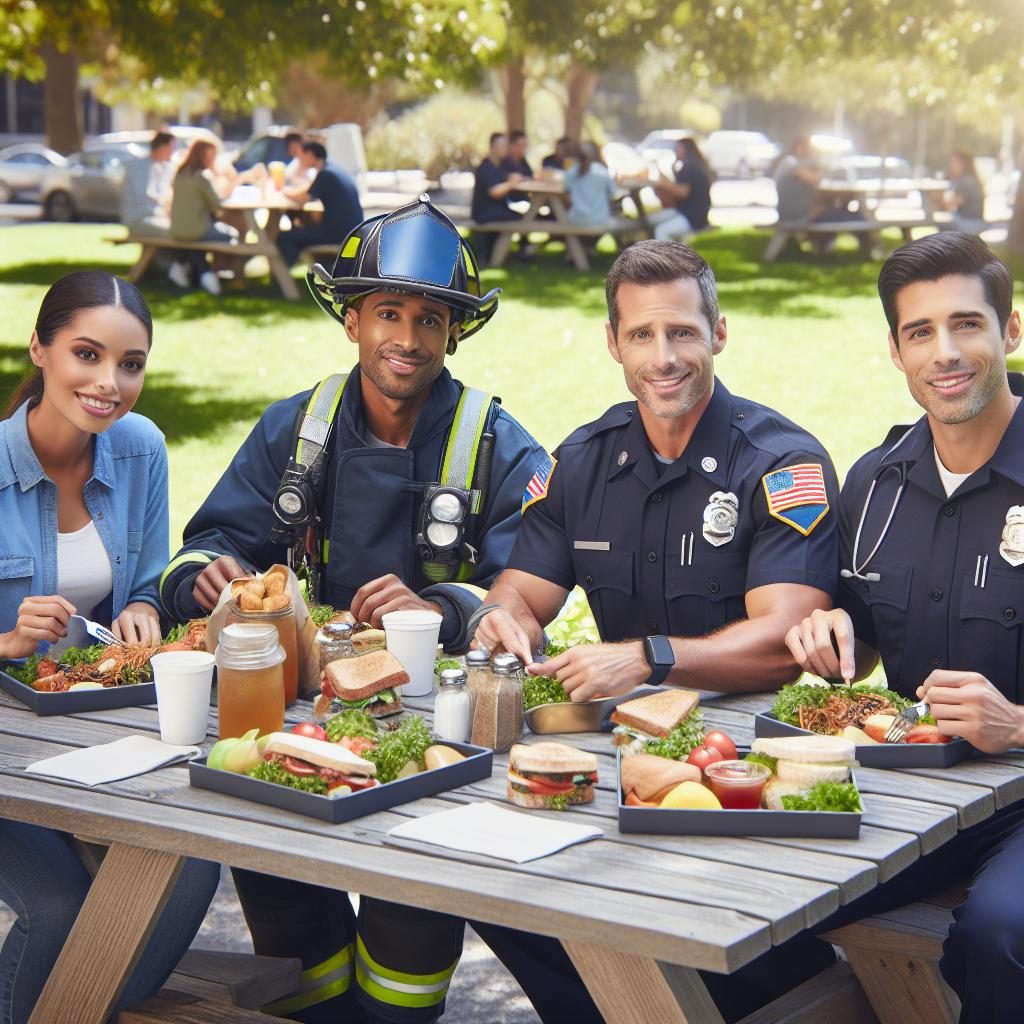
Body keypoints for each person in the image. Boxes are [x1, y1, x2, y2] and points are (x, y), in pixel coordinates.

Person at [159, 197, 563, 1023]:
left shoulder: (496, 440)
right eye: (387, 312)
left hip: (433, 741)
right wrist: (206, 579)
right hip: (286, 722)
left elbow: (533, 585)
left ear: (455, 332)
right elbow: (203, 544)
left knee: (405, 957)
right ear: (350, 319)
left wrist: (442, 608)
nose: (407, 339)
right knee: (294, 950)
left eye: (429, 319)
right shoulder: (294, 429)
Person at [471, 239, 842, 1022]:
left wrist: (648, 658)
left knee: (696, 946)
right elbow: (521, 593)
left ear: (719, 333)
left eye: (682, 333)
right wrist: (503, 616)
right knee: (490, 883)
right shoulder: (583, 459)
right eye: (641, 335)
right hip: (616, 757)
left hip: (739, 770)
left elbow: (785, 638)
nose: (663, 356)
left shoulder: (779, 462)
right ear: (613, 343)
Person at [785, 232, 1024, 1024]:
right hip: (911, 787)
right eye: (920, 332)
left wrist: (1017, 725)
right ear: (896, 351)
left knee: (1000, 934)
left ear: (1010, 330)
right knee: (749, 898)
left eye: (967, 324)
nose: (945, 352)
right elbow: (865, 621)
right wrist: (834, 632)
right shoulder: (874, 483)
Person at [0, 270, 220, 1024]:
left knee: (190, 859)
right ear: (40, 348)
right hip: (6, 750)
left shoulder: (139, 450)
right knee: (59, 904)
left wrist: (137, 609)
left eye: (130, 364)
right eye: (86, 355)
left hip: (98, 725)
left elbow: (149, 577)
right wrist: (8, 639)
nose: (108, 383)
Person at [276, 140, 363, 268]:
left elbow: (304, 199)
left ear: (310, 155)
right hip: (354, 231)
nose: (299, 161)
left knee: (284, 238)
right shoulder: (334, 169)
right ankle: (324, 272)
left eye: (301, 157)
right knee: (303, 230)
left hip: (338, 234)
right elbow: (309, 191)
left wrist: (284, 192)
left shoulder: (326, 174)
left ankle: (285, 280)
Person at [120, 130, 191, 288]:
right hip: (138, 218)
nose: (174, 152)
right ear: (163, 147)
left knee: (183, 229)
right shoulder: (138, 167)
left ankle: (175, 269)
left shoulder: (167, 168)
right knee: (178, 231)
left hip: (158, 217)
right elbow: (145, 198)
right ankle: (176, 268)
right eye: (172, 148)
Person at [169, 138, 239, 296]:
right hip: (196, 231)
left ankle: (184, 267)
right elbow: (217, 205)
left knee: (197, 242)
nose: (212, 160)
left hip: (176, 229)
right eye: (210, 156)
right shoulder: (202, 177)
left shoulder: (180, 174)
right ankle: (212, 274)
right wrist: (235, 183)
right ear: (201, 156)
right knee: (231, 235)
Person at [470, 132, 526, 263]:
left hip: (496, 209)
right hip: (484, 213)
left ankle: (516, 251)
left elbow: (511, 176)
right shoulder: (486, 167)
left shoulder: (500, 165)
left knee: (523, 217)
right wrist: (511, 183)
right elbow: (494, 191)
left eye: (506, 145)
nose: (505, 148)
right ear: (492, 147)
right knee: (522, 219)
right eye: (502, 145)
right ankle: (517, 253)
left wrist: (513, 178)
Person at [650, 137, 712, 241]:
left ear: (685, 149)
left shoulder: (689, 167)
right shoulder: (693, 164)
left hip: (692, 217)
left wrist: (664, 185)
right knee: (650, 220)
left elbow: (682, 193)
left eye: (678, 147)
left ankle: (665, 257)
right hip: (688, 212)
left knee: (661, 230)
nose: (675, 150)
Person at [564, 141, 616, 227]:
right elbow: (613, 192)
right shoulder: (603, 172)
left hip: (577, 219)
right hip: (600, 219)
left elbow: (566, 196)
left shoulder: (571, 172)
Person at [941, 149, 987, 234]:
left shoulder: (966, 181)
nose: (951, 166)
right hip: (975, 221)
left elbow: (951, 204)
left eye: (954, 163)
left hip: (970, 222)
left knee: (942, 223)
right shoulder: (972, 179)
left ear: (963, 164)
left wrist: (936, 200)